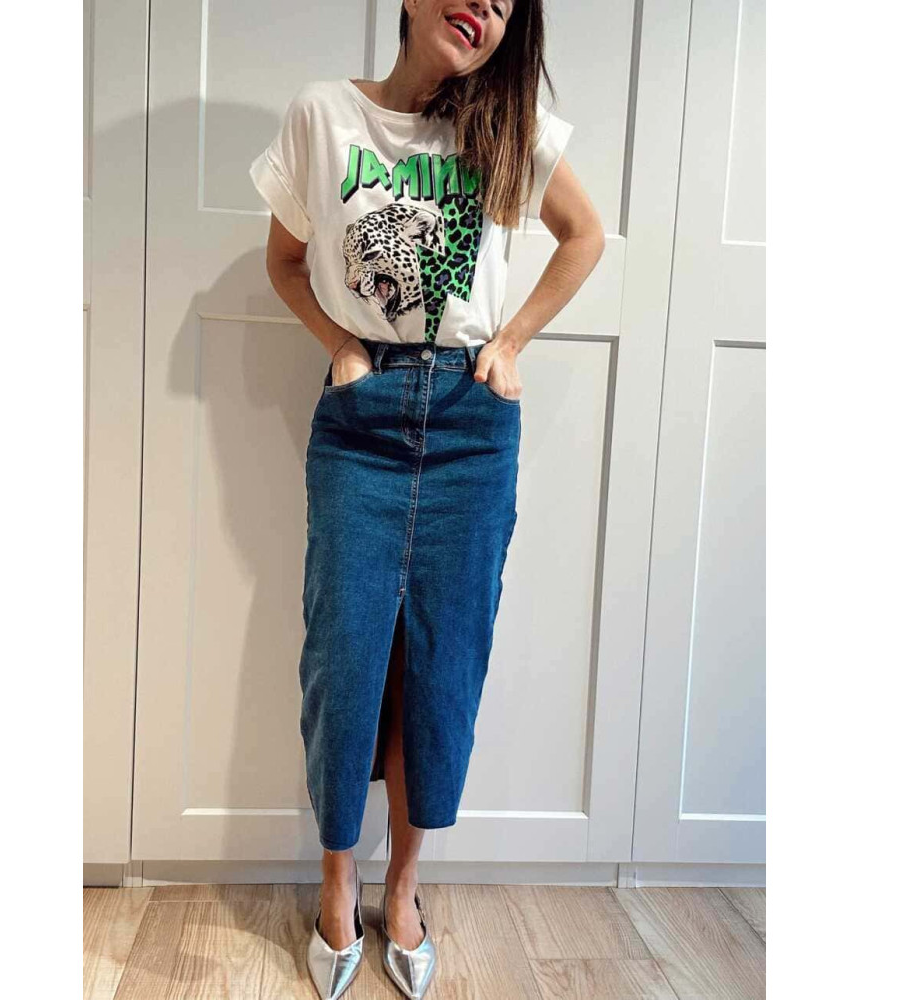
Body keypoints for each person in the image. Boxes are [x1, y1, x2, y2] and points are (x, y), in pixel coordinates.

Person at [249, 2, 604, 996]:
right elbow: (284, 261)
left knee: (440, 667)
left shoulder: (509, 127)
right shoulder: (325, 114)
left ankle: (404, 887)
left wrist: (510, 341)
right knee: (345, 658)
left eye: (504, 3)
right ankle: (336, 881)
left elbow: (583, 235)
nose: (483, 7)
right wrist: (341, 346)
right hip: (360, 419)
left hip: (470, 424)